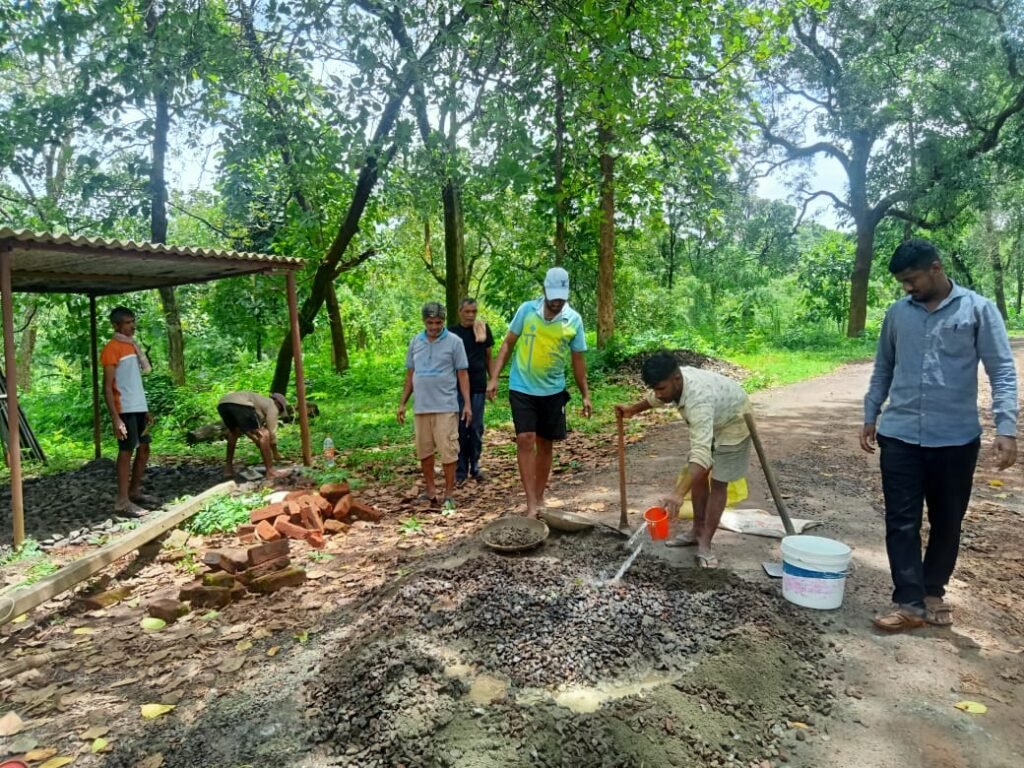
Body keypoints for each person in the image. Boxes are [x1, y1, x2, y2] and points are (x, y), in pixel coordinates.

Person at [860, 238, 1017, 632]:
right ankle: (909, 603)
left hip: (955, 438)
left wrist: (1006, 428)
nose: (907, 287)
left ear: (936, 267)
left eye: (911, 279)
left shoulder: (978, 310)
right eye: (902, 281)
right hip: (899, 435)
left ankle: (933, 592)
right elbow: (884, 366)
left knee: (947, 521)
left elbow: (1002, 371)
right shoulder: (898, 314)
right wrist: (870, 412)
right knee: (901, 520)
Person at [616, 351, 752, 568]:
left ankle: (705, 543)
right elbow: (657, 396)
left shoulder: (698, 401)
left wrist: (678, 494)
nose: (657, 394)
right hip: (713, 417)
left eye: (661, 388)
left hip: (734, 421)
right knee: (698, 477)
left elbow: (701, 454)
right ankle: (697, 530)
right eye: (654, 388)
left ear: (677, 379)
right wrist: (633, 409)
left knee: (719, 482)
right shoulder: (672, 383)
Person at [486, 267, 592, 517]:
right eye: (553, 296)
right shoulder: (527, 311)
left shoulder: (573, 320)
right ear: (544, 290)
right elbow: (508, 344)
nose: (556, 302)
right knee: (525, 438)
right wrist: (494, 378)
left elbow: (578, 361)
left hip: (553, 390)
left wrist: (585, 394)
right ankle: (531, 501)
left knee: (545, 443)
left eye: (561, 297)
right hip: (521, 385)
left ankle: (540, 495)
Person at [397, 302, 472, 508]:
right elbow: (410, 374)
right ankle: (431, 491)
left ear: (443, 321)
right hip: (422, 406)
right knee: (425, 451)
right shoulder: (416, 342)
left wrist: (467, 404)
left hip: (446, 406)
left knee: (448, 450)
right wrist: (402, 403)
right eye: (430, 323)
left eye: (438, 322)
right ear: (424, 321)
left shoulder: (455, 342)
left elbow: (462, 374)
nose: (434, 327)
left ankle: (449, 493)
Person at [101, 306, 155, 517]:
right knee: (126, 452)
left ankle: (134, 491)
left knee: (144, 449)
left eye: (133, 322)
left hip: (138, 406)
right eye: (127, 323)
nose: (132, 326)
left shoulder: (132, 346)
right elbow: (107, 387)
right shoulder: (111, 349)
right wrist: (116, 418)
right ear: (116, 325)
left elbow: (134, 381)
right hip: (124, 408)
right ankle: (122, 501)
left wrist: (145, 409)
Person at [448, 297, 494, 483]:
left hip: (478, 385)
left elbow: (489, 357)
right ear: (460, 312)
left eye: (474, 312)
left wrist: (493, 380)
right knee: (460, 428)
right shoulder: (451, 333)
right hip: (456, 387)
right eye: (467, 311)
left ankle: (475, 465)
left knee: (475, 427)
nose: (470, 315)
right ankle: (460, 469)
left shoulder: (482, 329)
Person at [217, 391, 288, 479]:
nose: (279, 411)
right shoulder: (272, 405)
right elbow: (271, 432)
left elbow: (245, 428)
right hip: (241, 404)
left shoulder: (259, 402)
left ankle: (228, 470)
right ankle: (271, 471)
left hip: (223, 404)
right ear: (277, 403)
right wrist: (275, 453)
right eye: (280, 409)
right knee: (264, 433)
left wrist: (255, 440)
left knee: (234, 433)